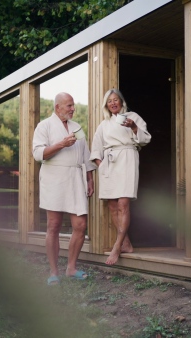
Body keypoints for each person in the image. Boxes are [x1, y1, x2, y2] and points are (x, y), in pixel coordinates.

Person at [32, 92, 97, 285]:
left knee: (80, 225)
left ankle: (71, 268)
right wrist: (61, 144)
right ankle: (53, 272)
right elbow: (38, 154)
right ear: (57, 107)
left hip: (76, 178)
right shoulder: (44, 126)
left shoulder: (77, 127)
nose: (72, 109)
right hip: (54, 179)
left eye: (73, 105)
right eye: (68, 105)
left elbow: (85, 155)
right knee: (53, 225)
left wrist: (90, 178)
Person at [90, 89, 152, 265]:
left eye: (115, 100)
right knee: (112, 205)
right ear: (106, 105)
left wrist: (133, 126)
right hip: (109, 162)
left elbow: (145, 139)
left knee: (123, 203)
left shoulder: (133, 116)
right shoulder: (104, 124)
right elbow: (96, 146)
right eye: (109, 101)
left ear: (121, 101)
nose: (113, 103)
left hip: (127, 158)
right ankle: (126, 243)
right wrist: (100, 165)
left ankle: (117, 246)